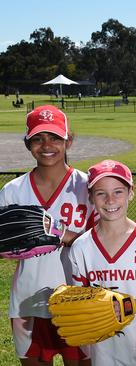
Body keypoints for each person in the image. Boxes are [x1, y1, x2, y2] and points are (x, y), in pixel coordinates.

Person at [0, 105, 95, 366]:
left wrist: (62, 234)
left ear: (69, 140)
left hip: (78, 301)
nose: (46, 145)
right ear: (27, 143)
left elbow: (104, 242)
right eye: (38, 138)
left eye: (55, 137)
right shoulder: (12, 191)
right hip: (28, 301)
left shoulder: (88, 187)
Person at [68, 160, 136, 365]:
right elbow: (81, 295)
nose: (110, 200)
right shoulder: (81, 246)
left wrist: (129, 306)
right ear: (90, 197)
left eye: (118, 192)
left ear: (131, 193)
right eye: (101, 193)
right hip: (101, 347)